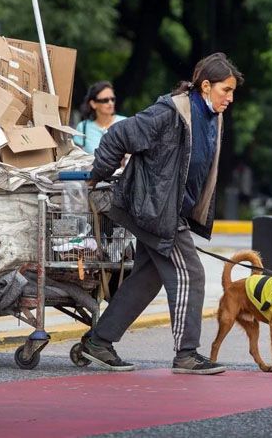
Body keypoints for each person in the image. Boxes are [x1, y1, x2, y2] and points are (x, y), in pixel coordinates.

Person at [80, 52, 244, 375]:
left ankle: (98, 342)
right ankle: (186, 354)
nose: (231, 98)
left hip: (167, 210)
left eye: (233, 91)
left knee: (147, 276)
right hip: (152, 209)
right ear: (206, 86)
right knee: (191, 273)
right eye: (226, 90)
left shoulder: (213, 117)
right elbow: (118, 135)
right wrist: (98, 176)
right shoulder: (170, 113)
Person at [74, 81, 127, 154]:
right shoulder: (82, 127)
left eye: (113, 99)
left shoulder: (124, 123)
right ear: (93, 104)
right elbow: (76, 156)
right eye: (105, 100)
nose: (110, 103)